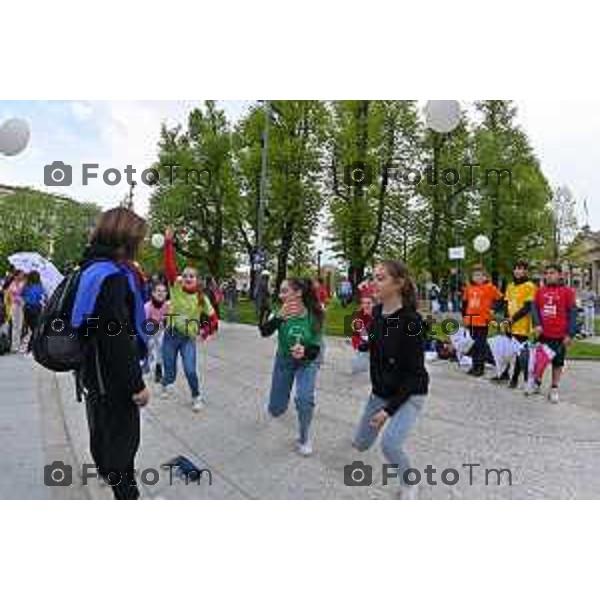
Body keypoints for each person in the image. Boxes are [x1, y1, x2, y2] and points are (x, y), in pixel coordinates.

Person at [71, 207, 150, 500]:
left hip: (92, 373)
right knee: (123, 447)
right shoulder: (112, 276)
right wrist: (137, 385)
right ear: (125, 238)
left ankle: (109, 474)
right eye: (138, 239)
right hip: (114, 379)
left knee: (102, 433)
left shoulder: (90, 268)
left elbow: (92, 324)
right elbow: (116, 337)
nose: (140, 244)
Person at [352, 260, 429, 500]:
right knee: (361, 444)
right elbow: (377, 341)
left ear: (399, 284)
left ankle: (410, 482)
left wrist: (389, 411)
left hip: (409, 393)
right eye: (373, 276)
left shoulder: (412, 323)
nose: (373, 282)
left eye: (380, 278)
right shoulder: (376, 312)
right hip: (380, 391)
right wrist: (364, 345)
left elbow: (414, 374)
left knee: (390, 445)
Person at [260, 278, 324, 456]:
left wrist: (304, 351)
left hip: (307, 362)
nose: (280, 295)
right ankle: (280, 404)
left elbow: (316, 348)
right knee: (275, 410)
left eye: (284, 291)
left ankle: (304, 437)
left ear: (298, 293)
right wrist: (278, 318)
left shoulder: (315, 315)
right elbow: (264, 332)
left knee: (304, 399)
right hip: (284, 360)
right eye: (280, 291)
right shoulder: (280, 313)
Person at [162, 228, 218, 411]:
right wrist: (169, 243)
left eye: (191, 276)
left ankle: (196, 396)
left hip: (188, 339)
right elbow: (170, 267)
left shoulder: (202, 298)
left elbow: (213, 319)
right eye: (184, 275)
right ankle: (166, 381)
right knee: (170, 371)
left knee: (190, 370)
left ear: (197, 280)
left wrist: (206, 330)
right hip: (170, 336)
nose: (187, 278)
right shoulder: (176, 288)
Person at [530, 264, 577, 403]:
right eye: (547, 273)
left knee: (558, 363)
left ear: (560, 275)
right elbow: (535, 310)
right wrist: (537, 325)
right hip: (543, 334)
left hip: (560, 335)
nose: (549, 275)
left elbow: (573, 313)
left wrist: (570, 334)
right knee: (540, 361)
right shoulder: (540, 291)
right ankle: (537, 383)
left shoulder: (567, 292)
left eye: (552, 273)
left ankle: (554, 388)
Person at [493, 259, 537, 387]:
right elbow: (506, 304)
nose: (518, 271)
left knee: (519, 352)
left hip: (522, 325)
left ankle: (515, 378)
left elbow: (527, 308)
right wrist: (506, 320)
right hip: (509, 324)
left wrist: (513, 319)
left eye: (521, 268)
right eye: (516, 268)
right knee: (506, 350)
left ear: (526, 271)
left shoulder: (530, 286)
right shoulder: (510, 285)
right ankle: (504, 373)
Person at [462, 266, 502, 377]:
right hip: (471, 320)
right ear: (472, 277)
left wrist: (493, 309)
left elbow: (500, 299)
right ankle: (474, 365)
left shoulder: (490, 287)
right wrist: (464, 317)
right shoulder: (469, 288)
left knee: (481, 344)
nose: (478, 277)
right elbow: (464, 304)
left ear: (485, 277)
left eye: (480, 275)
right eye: (475, 275)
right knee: (473, 344)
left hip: (483, 320)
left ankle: (480, 367)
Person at [144, 280, 169, 383]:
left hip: (161, 328)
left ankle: (158, 368)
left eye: (163, 291)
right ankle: (146, 362)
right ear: (153, 293)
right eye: (158, 291)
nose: (161, 293)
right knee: (149, 346)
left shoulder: (167, 306)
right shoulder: (147, 306)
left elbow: (168, 320)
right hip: (149, 329)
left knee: (161, 346)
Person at [350, 294, 375, 374]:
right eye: (364, 303)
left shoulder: (377, 314)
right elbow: (363, 333)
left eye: (369, 303)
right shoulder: (357, 315)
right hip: (361, 344)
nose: (366, 305)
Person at [22, 270, 45, 354]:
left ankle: (30, 347)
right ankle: (31, 348)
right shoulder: (40, 286)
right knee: (35, 329)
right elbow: (42, 297)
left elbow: (22, 295)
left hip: (27, 309)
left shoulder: (26, 286)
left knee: (31, 328)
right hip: (36, 309)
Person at [7, 270, 26, 353]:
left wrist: (20, 296)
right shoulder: (12, 284)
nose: (22, 276)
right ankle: (14, 346)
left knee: (21, 326)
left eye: (22, 275)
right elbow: (9, 294)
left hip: (22, 305)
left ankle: (20, 345)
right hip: (14, 305)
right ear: (16, 275)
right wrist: (14, 297)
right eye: (20, 274)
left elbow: (25, 294)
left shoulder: (24, 284)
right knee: (15, 325)